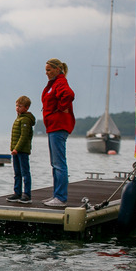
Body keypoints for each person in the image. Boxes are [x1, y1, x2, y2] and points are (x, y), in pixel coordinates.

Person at [41, 58, 75, 207]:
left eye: (49, 70)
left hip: (58, 126)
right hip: (52, 126)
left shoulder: (61, 82)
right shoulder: (54, 84)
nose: (46, 73)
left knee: (59, 163)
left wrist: (60, 108)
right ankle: (56, 195)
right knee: (55, 163)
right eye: (46, 70)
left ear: (57, 69)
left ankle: (60, 197)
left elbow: (69, 95)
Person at [7, 95, 36, 204]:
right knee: (17, 173)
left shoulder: (25, 120)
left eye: (20, 106)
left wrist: (17, 149)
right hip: (16, 150)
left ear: (26, 107)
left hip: (22, 151)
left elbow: (23, 137)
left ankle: (27, 194)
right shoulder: (19, 118)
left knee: (25, 172)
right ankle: (17, 193)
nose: (17, 108)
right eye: (16, 106)